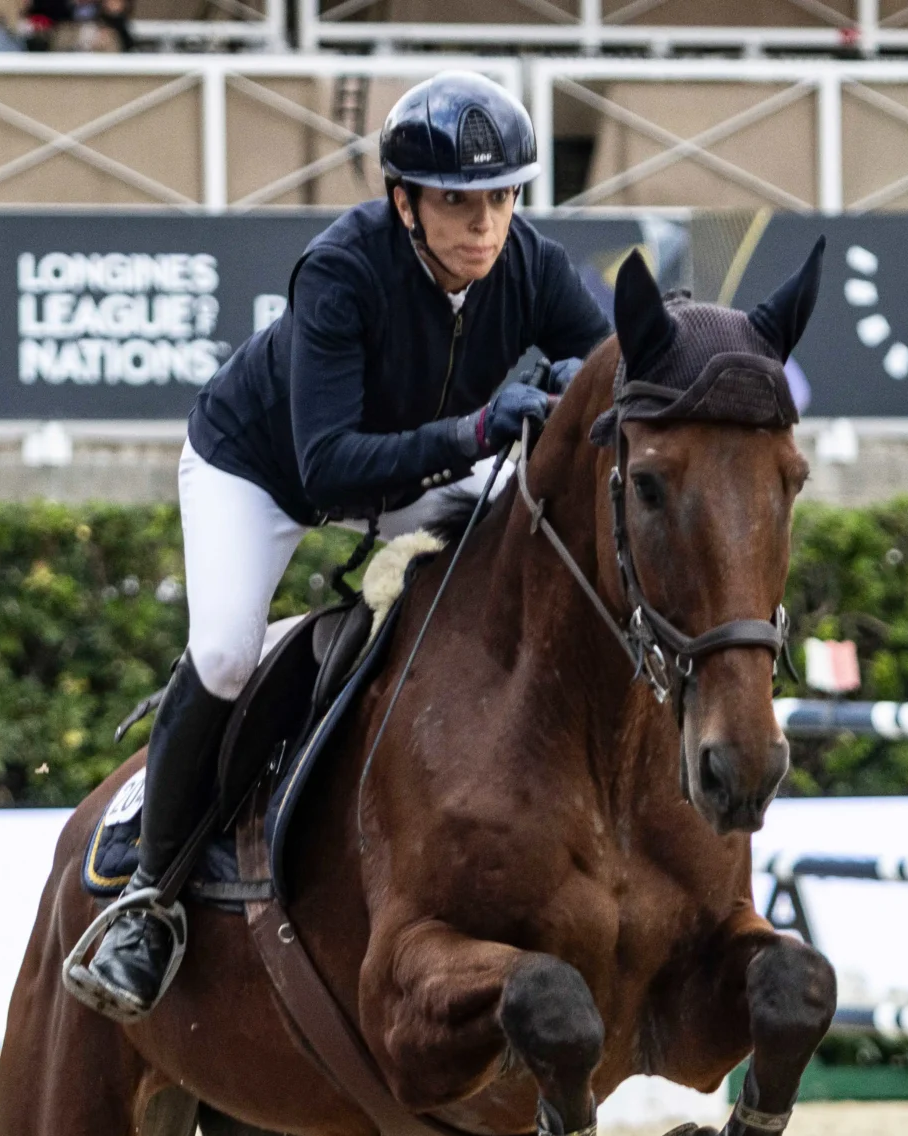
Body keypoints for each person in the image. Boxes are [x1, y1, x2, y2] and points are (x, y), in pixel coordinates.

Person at [62, 72, 612, 1024]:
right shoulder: (340, 270)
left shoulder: (528, 262)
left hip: (414, 472)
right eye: (457, 203)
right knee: (230, 651)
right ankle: (148, 901)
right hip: (268, 472)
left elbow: (618, 371)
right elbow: (328, 468)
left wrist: (590, 377)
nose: (484, 225)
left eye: (502, 198)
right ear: (404, 201)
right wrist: (479, 430)